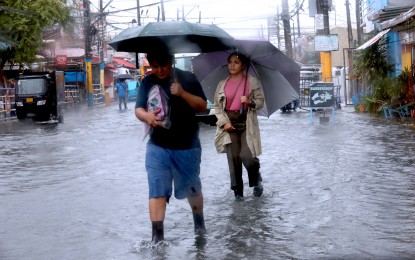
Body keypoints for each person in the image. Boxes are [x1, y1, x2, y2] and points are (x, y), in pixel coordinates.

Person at [134, 49, 207, 243]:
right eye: (155, 66)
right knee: (157, 189)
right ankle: (157, 241)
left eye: (163, 65)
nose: (159, 70)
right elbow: (139, 109)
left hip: (187, 146)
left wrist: (182, 93)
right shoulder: (147, 82)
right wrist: (147, 116)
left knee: (192, 190)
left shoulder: (188, 78)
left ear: (171, 61)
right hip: (157, 146)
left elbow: (202, 105)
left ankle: (199, 228)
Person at [213, 51, 265, 200]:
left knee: (247, 157)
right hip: (230, 124)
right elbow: (217, 107)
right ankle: (238, 194)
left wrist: (250, 102)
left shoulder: (251, 81)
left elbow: (260, 101)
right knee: (233, 158)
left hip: (246, 124)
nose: (232, 65)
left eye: (236, 62)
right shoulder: (222, 84)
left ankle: (256, 180)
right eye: (230, 62)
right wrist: (225, 123)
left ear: (243, 65)